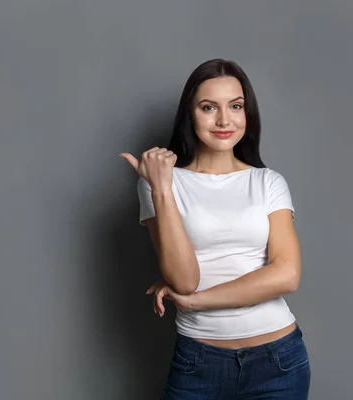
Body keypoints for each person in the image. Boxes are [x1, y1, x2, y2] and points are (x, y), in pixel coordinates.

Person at [120, 59, 311, 399]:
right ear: (189, 114)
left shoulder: (268, 182)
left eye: (235, 106)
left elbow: (286, 275)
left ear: (247, 114)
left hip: (278, 359)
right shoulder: (159, 184)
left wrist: (196, 302)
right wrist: (162, 189)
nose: (224, 120)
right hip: (199, 362)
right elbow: (184, 280)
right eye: (209, 107)